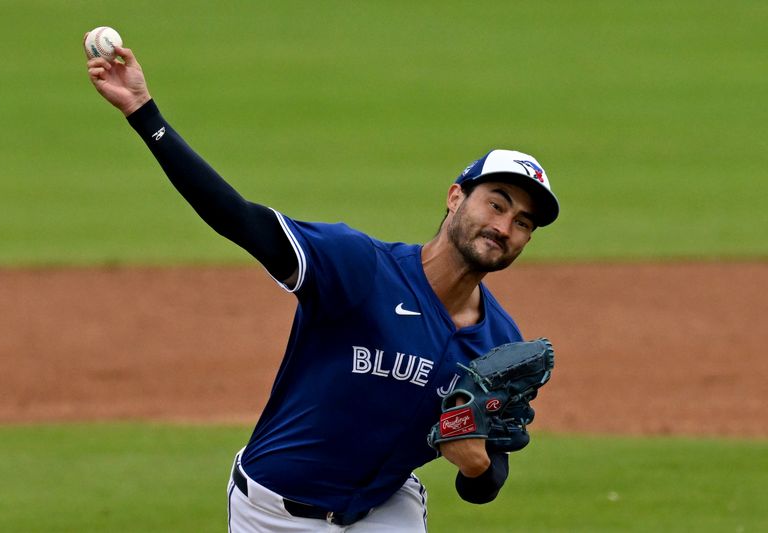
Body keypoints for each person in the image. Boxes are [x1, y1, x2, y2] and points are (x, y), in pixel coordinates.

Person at [86, 44, 560, 533]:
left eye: (523, 223)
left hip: (385, 512)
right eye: (497, 205)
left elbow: (485, 482)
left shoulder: (500, 343)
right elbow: (238, 219)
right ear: (455, 197)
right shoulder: (359, 267)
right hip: (274, 512)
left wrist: (476, 463)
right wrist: (145, 115)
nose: (505, 228)